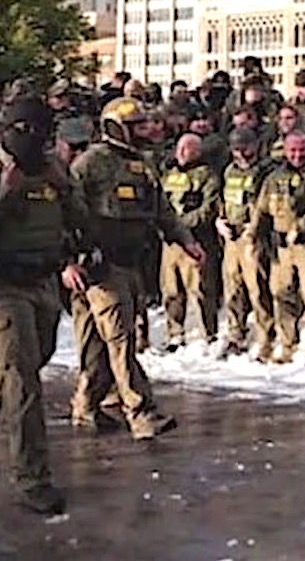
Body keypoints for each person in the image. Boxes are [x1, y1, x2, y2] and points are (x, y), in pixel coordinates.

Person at [70, 97, 195, 440]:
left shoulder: (143, 165)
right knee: (121, 340)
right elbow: (68, 212)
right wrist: (73, 258)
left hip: (130, 262)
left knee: (99, 342)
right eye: (137, 126)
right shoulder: (90, 163)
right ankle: (142, 412)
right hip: (100, 265)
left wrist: (184, 239)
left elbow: (162, 209)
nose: (146, 130)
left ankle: (86, 405)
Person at [0, 100, 75, 514]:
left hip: (44, 282)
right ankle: (34, 478)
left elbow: (72, 214)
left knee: (32, 363)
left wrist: (81, 250)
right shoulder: (5, 172)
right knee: (23, 379)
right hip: (6, 287)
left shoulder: (51, 168)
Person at [248, 131, 305, 365]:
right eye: (292, 150)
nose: (297, 155)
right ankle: (287, 344)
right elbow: (262, 209)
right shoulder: (274, 178)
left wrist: (302, 226)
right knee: (281, 291)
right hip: (281, 244)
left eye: (301, 150)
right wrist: (253, 235)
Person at [160, 132, 222, 351]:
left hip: (196, 240)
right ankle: (175, 334)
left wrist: (181, 226)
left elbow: (208, 209)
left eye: (188, 149)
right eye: (180, 148)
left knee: (201, 289)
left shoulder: (207, 176)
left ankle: (209, 334)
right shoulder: (168, 174)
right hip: (170, 244)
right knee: (171, 290)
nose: (183, 153)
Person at [215, 128, 273, 361]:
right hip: (232, 236)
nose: (241, 153)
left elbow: (265, 204)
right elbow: (223, 199)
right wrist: (219, 220)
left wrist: (254, 230)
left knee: (257, 289)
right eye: (237, 148)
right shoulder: (229, 171)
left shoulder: (265, 170)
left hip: (253, 237)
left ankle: (265, 337)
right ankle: (235, 334)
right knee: (233, 288)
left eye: (245, 147)